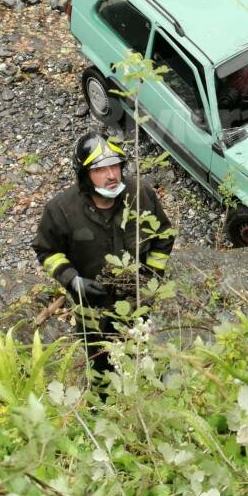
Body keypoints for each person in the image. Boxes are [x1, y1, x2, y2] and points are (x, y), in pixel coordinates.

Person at [32, 131, 174, 377]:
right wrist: (73, 281)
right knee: (99, 361)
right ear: (85, 176)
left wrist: (150, 277)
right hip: (91, 307)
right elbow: (47, 251)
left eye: (115, 166)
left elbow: (163, 235)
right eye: (100, 170)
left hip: (137, 301)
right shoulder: (61, 210)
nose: (111, 175)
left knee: (138, 351)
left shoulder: (140, 194)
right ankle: (103, 401)